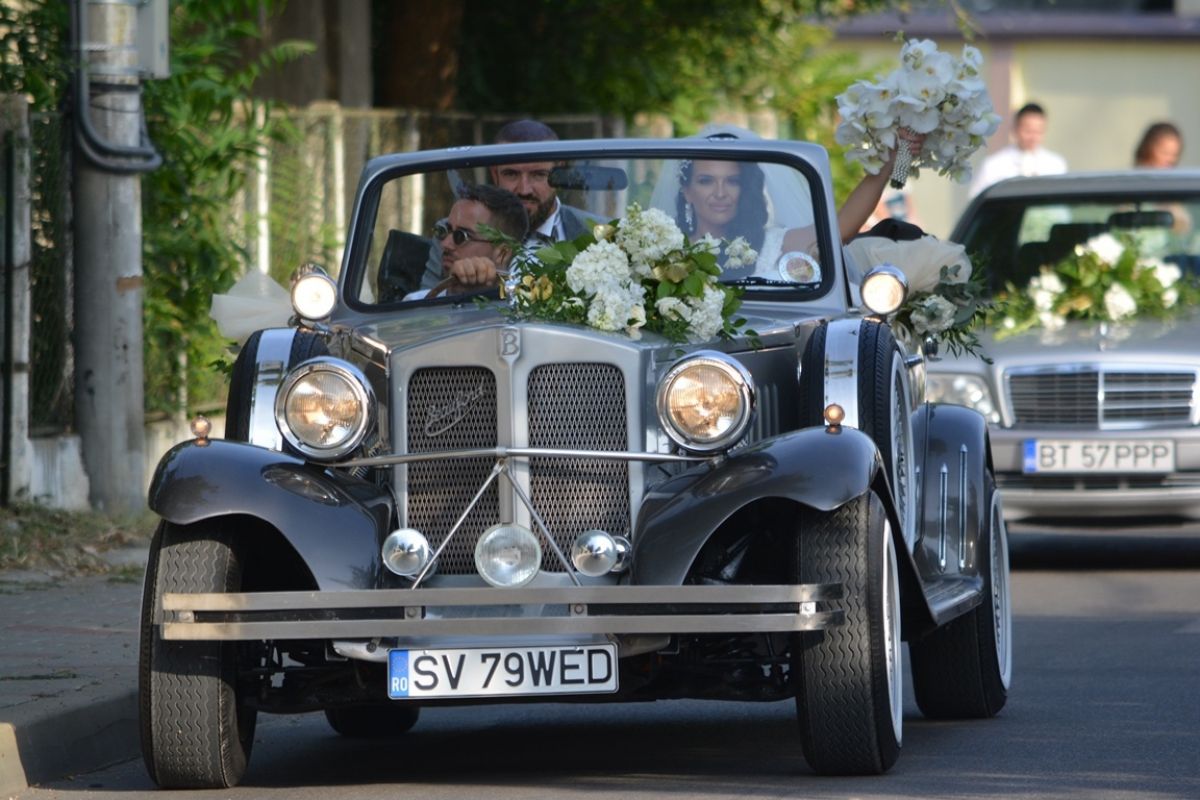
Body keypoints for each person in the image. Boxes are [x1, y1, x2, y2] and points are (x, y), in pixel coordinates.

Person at [652, 124, 925, 280]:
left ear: (745, 189)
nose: (720, 192)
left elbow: (841, 228)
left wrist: (893, 161)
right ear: (686, 191)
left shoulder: (776, 244)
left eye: (733, 181)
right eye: (706, 181)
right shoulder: (661, 253)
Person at [417, 119, 593, 291]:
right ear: (495, 173)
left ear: (559, 172)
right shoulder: (452, 234)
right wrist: (457, 289)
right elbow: (423, 304)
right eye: (511, 174)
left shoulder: (597, 233)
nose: (524, 189)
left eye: (538, 174)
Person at [405, 183, 528, 300]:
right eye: (445, 231)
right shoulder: (415, 303)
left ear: (502, 253)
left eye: (461, 236)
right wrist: (455, 293)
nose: (445, 244)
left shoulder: (528, 306)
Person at [968, 103, 1067, 198]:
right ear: (1015, 129)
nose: (1033, 137)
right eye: (1028, 131)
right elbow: (977, 199)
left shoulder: (1055, 165)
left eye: (1038, 131)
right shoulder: (993, 165)